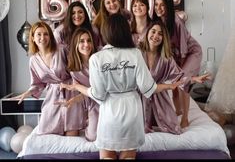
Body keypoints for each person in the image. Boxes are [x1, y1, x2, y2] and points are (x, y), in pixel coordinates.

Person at [60, 13, 183, 159]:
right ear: (125, 31)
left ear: (106, 31)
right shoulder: (135, 54)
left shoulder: (97, 58)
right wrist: (169, 86)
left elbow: (98, 94)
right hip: (132, 112)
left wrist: (79, 87)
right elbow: (147, 88)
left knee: (107, 156)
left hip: (109, 113)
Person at [9, 21, 82, 136]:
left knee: (72, 133)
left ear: (50, 36)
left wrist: (79, 90)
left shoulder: (62, 50)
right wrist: (27, 93)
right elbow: (38, 84)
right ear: (32, 37)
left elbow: (76, 71)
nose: (43, 37)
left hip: (70, 94)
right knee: (47, 130)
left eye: (46, 34)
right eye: (39, 34)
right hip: (52, 96)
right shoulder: (33, 60)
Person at [139, 21, 211, 134]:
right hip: (140, 98)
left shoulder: (166, 58)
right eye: (153, 32)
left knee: (173, 129)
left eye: (160, 34)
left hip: (159, 97)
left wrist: (193, 79)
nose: (156, 36)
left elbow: (178, 77)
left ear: (164, 38)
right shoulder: (137, 53)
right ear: (147, 33)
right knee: (136, 129)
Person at [152, 0, 203, 128]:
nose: (159, 8)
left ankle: (185, 118)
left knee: (183, 81)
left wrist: (180, 70)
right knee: (175, 84)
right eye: (156, 5)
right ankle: (178, 110)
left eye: (162, 5)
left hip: (190, 53)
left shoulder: (175, 20)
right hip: (176, 54)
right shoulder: (158, 23)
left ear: (168, 6)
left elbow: (183, 47)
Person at [58, 28, 99, 142]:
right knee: (92, 137)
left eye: (89, 40)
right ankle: (89, 124)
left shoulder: (99, 60)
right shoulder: (74, 70)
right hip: (93, 105)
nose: (86, 44)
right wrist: (72, 101)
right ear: (76, 44)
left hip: (107, 101)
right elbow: (85, 93)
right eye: (82, 41)